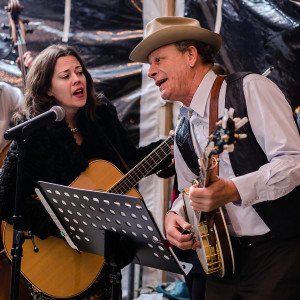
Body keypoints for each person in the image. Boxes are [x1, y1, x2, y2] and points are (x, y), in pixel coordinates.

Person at [129, 16, 300, 300]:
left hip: (278, 255)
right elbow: (189, 191)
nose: (151, 72)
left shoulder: (249, 89)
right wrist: (175, 214)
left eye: (159, 59)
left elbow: (294, 162)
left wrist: (234, 189)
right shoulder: (183, 126)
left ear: (191, 55)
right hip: (222, 265)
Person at [0, 43, 173, 300]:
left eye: (79, 72)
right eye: (65, 76)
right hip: (53, 257)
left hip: (102, 254)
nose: (77, 80)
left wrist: (168, 147)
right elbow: (5, 199)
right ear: (47, 88)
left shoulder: (100, 115)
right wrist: (64, 226)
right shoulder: (33, 132)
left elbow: (128, 162)